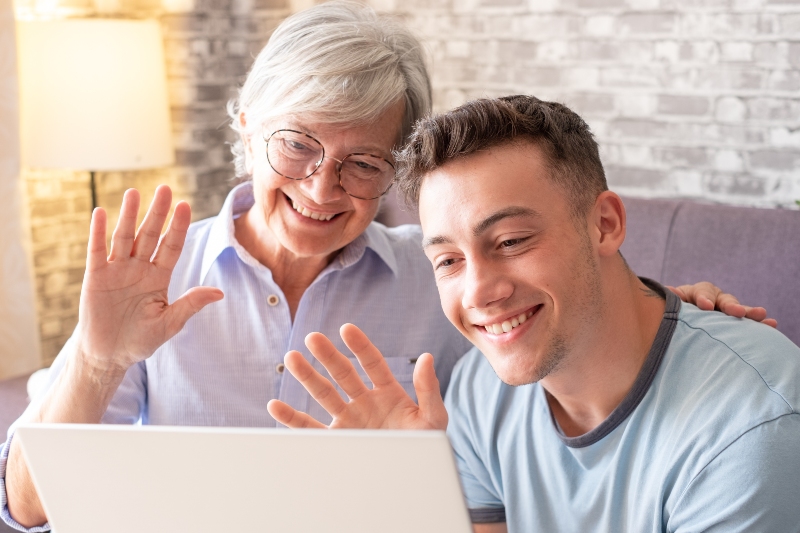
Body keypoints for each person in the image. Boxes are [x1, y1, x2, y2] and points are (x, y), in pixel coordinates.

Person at [0, 2, 770, 530]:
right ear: (245, 126)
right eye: (296, 144)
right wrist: (98, 359)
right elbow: (27, 506)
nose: (321, 187)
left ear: (394, 171)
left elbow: (557, 319)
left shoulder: (438, 277)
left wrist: (669, 307)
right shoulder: (152, 276)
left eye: (362, 163)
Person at [268, 96, 800, 532]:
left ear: (605, 224)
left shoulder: (750, 428)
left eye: (511, 240)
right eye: (448, 260)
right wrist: (411, 501)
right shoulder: (479, 389)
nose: (479, 291)